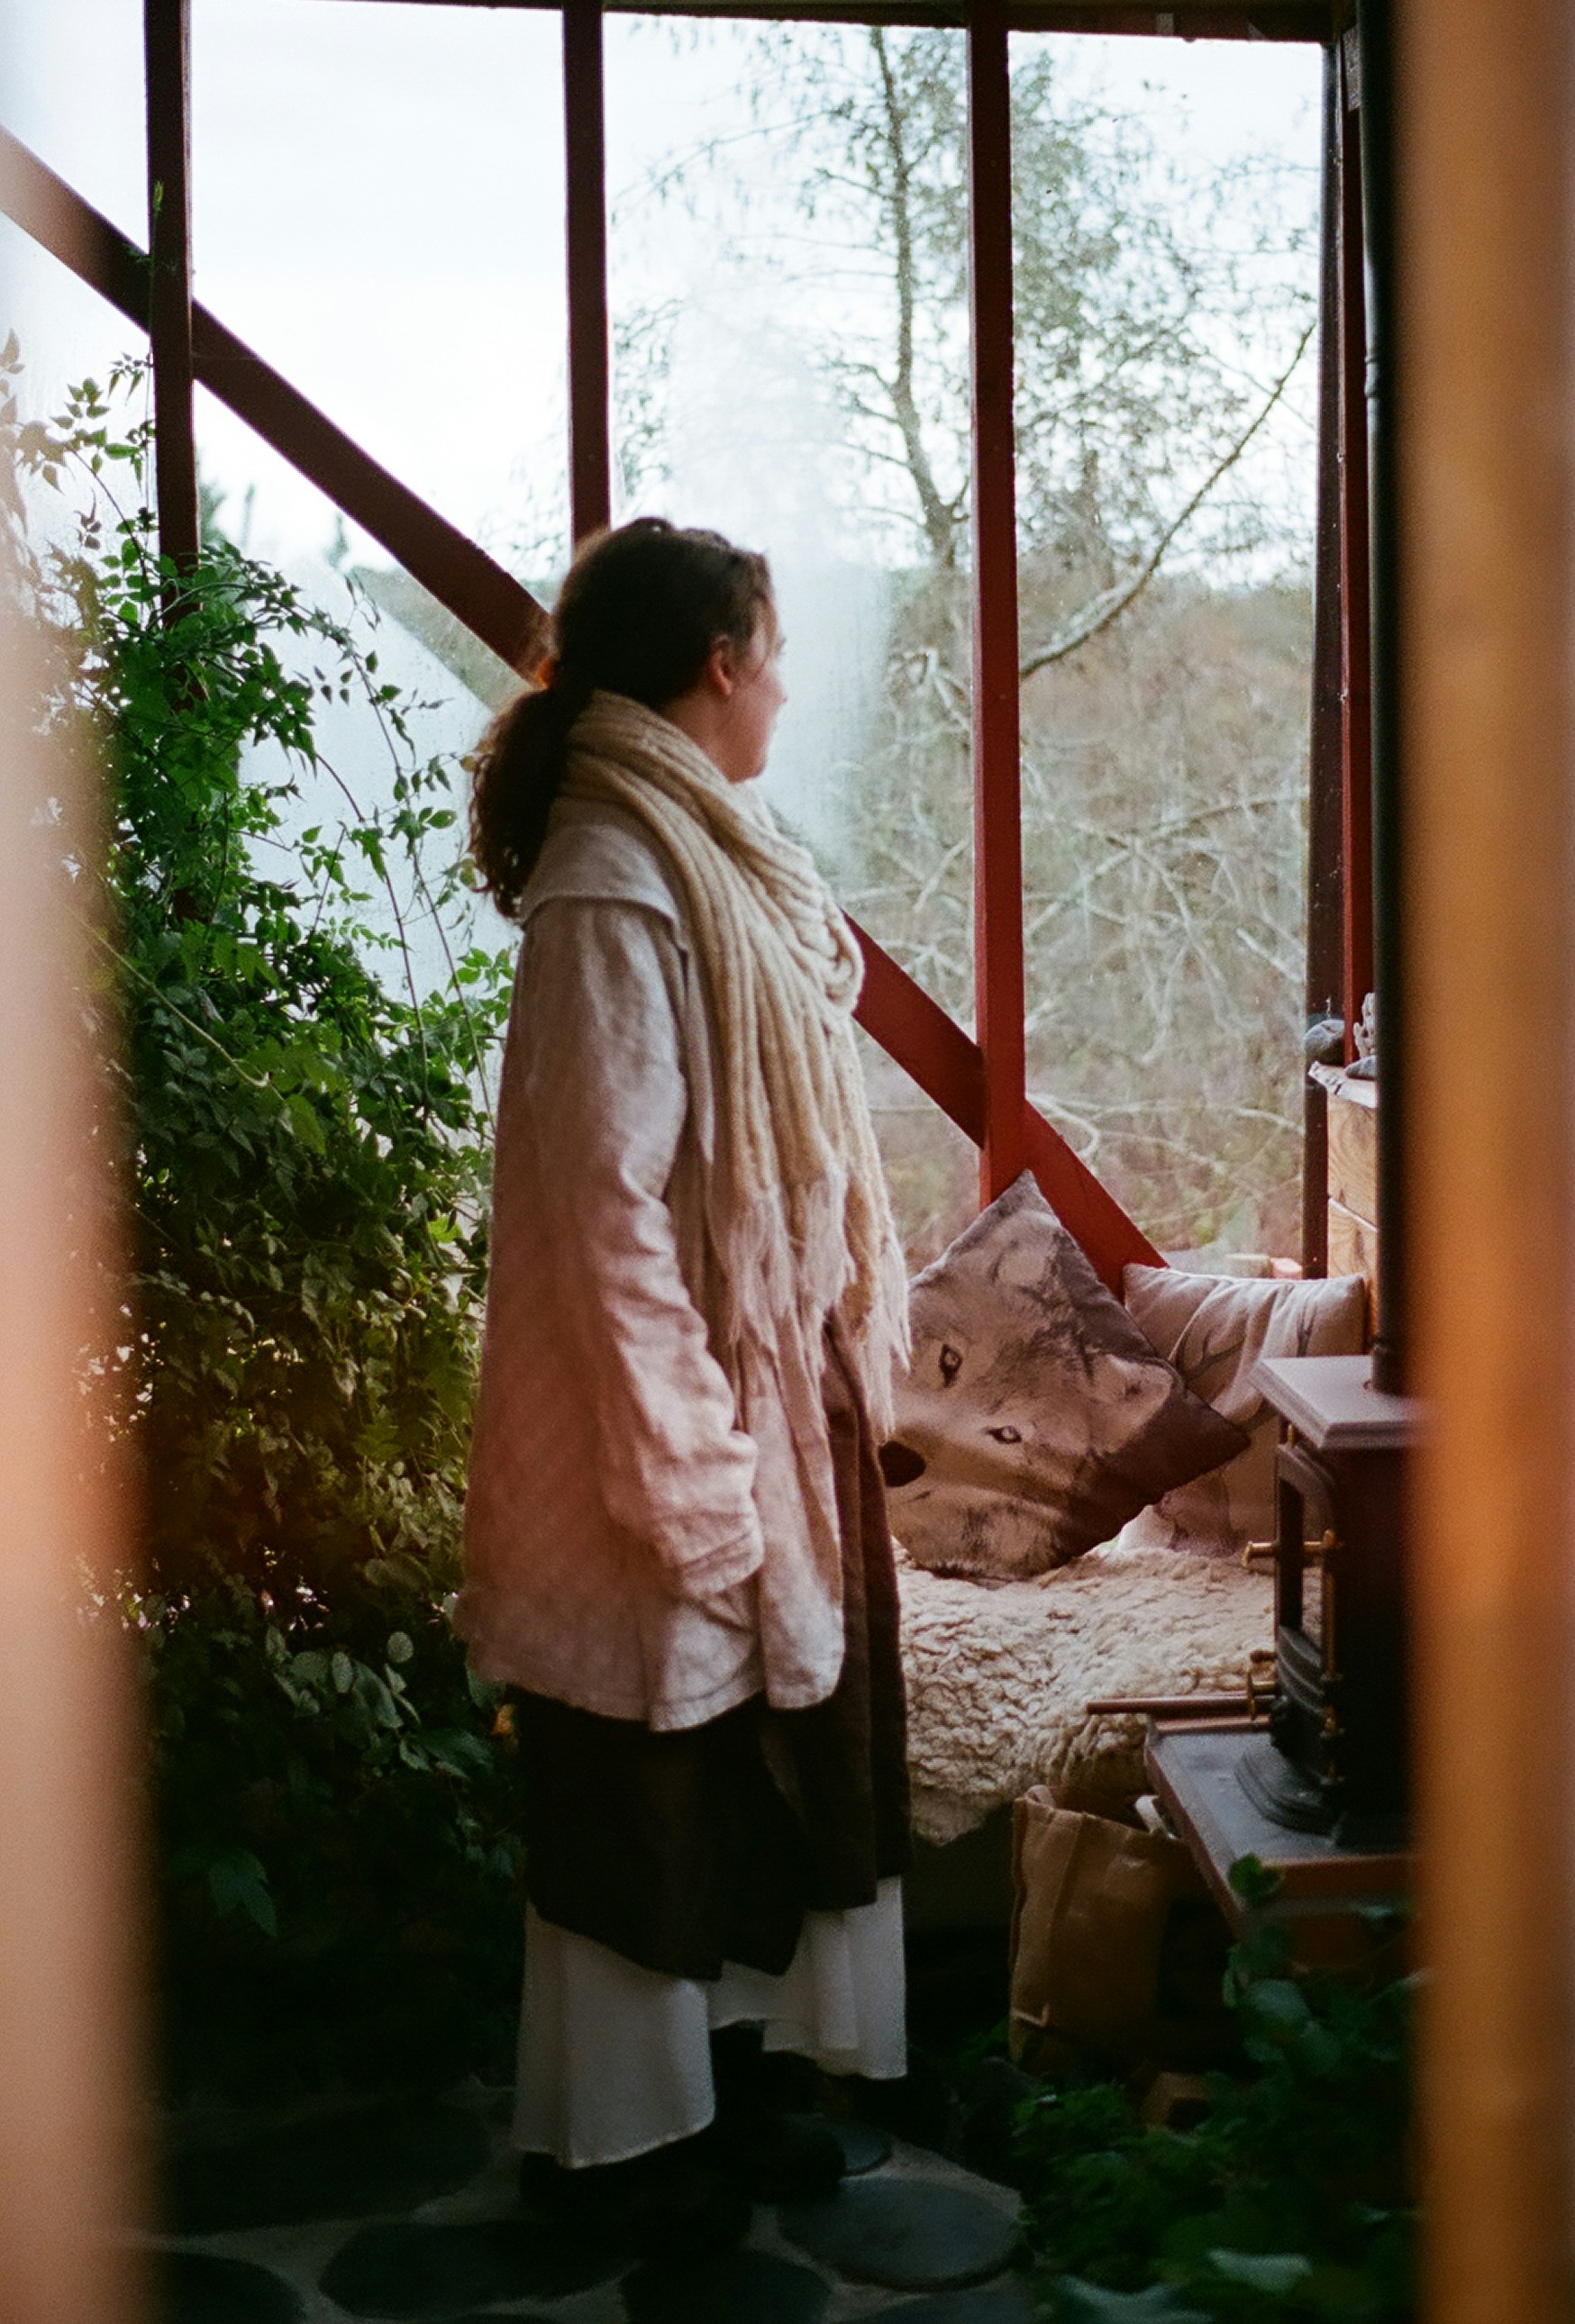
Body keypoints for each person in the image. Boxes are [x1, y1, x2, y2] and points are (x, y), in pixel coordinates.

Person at [456, 517, 911, 2250]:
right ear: (721, 666)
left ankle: (728, 2090)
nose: (785, 686)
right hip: (658, 1416)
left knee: (753, 1766)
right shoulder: (614, 878)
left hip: (759, 1385)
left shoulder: (707, 852)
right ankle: (632, 2144)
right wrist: (688, 1466)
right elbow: (600, 1205)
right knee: (645, 1782)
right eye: (772, 654)